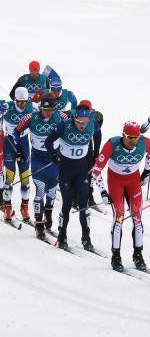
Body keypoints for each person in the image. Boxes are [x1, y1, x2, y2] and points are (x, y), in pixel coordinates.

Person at [92, 121, 150, 272]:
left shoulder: (144, 142)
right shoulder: (112, 145)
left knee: (137, 218)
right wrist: (103, 192)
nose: (132, 141)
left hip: (133, 181)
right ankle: (116, 255)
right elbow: (96, 170)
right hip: (116, 182)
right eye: (129, 137)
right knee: (119, 218)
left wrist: (146, 171)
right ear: (123, 135)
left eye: (136, 137)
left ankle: (138, 254)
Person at [45, 104, 102, 251]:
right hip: (66, 170)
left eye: (85, 122)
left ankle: (86, 237)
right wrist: (53, 155)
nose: (83, 125)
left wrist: (96, 152)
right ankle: (62, 236)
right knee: (67, 204)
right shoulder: (64, 125)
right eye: (79, 122)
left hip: (81, 171)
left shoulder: (92, 124)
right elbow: (48, 141)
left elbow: (98, 134)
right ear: (74, 118)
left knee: (83, 204)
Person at [14, 93, 69, 237]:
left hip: (54, 159)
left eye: (51, 110)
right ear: (40, 108)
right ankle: (39, 224)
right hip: (38, 159)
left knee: (51, 192)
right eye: (46, 110)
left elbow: (74, 125)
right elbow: (17, 131)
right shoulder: (31, 118)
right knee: (40, 189)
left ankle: (48, 215)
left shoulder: (61, 116)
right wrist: (19, 149)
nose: (48, 113)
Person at [2, 87, 35, 221]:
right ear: (14, 99)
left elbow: (49, 109)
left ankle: (24, 207)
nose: (22, 104)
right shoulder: (8, 107)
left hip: (23, 143)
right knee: (9, 177)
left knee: (25, 177)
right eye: (19, 102)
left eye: (24, 102)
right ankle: (8, 207)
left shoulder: (31, 106)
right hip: (9, 143)